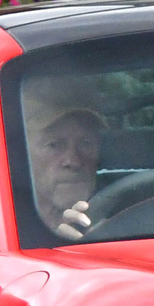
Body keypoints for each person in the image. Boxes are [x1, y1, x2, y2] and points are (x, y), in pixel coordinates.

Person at [21, 81, 104, 240]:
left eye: (85, 144)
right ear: (23, 154)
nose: (73, 162)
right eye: (54, 145)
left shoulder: (129, 211)